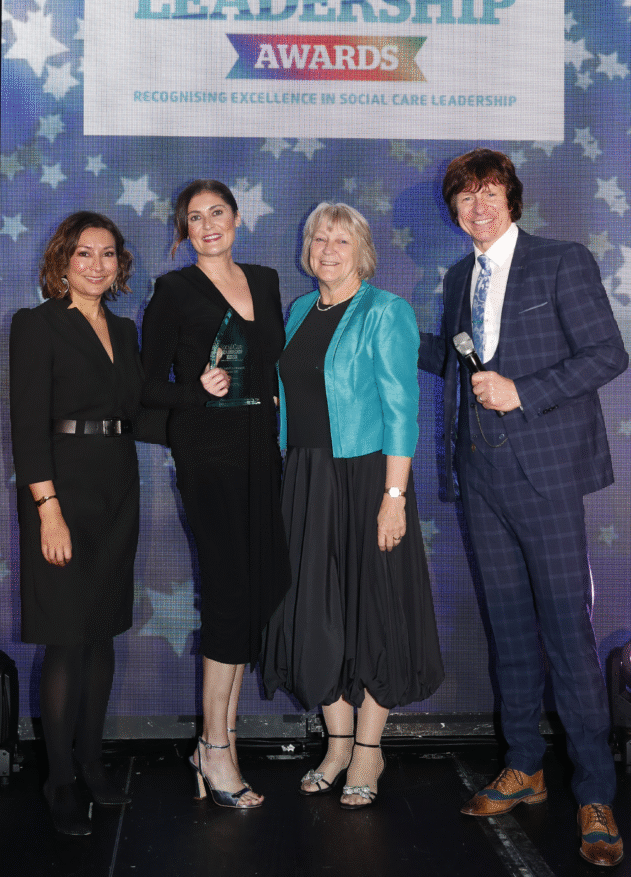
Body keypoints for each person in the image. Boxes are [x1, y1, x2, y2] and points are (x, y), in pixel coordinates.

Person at [417, 149, 627, 866]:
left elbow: (607, 353)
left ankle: (594, 792)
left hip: (545, 476)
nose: (476, 207)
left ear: (512, 199)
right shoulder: (456, 278)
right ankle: (524, 766)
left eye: (489, 193)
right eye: (464, 197)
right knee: (507, 633)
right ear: (453, 209)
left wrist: (522, 392)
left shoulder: (561, 261)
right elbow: (457, 360)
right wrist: (375, 326)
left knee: (564, 636)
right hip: (479, 480)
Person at [261, 202, 444, 809]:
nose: (328, 249)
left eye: (341, 240)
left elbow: (402, 410)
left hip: (368, 476)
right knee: (314, 611)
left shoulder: (385, 311)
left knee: (374, 606)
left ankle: (369, 750)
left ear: (362, 250)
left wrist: (394, 498)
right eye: (318, 238)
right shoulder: (297, 312)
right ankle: (337, 743)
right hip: (306, 477)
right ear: (306, 247)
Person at [141, 179, 289, 809]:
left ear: (237, 217)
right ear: (183, 229)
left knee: (258, 591)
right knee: (229, 596)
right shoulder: (172, 291)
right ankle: (217, 749)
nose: (207, 225)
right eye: (194, 217)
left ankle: (218, 741)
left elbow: (275, 367)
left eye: (217, 213)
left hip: (264, 455)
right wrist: (197, 388)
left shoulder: (267, 279)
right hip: (209, 457)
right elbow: (147, 386)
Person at [10, 212, 143, 836]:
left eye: (107, 254)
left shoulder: (125, 328)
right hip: (61, 493)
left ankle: (91, 764)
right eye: (84, 254)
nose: (96, 265)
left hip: (118, 486)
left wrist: (207, 393)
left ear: (119, 264)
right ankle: (58, 779)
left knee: (102, 636)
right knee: (66, 640)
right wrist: (47, 510)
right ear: (62, 262)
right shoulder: (35, 325)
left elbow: (139, 410)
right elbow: (27, 427)